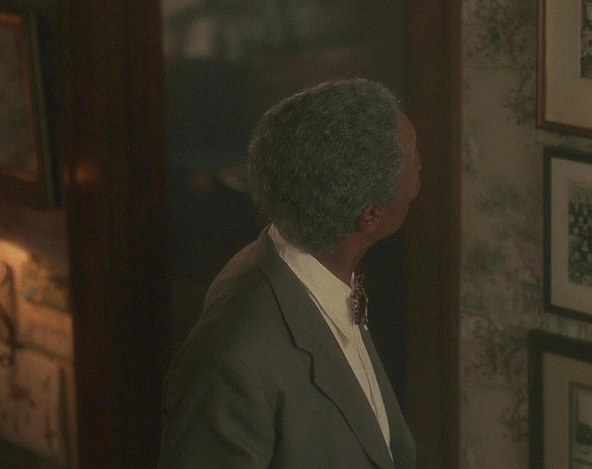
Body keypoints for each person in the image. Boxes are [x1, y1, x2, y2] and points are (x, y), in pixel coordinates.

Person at [158, 78, 420, 468]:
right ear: (370, 217)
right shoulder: (233, 358)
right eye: (415, 161)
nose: (419, 173)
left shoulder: (323, 280)